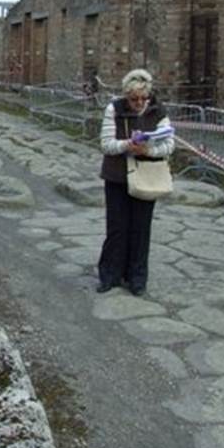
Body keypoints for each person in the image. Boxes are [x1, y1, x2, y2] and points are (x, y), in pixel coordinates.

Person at [96, 69, 174, 296]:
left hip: (146, 177)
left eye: (143, 98)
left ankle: (137, 279)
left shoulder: (158, 112)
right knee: (117, 228)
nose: (139, 103)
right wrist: (127, 145)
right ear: (126, 96)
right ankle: (110, 275)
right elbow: (106, 144)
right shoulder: (114, 109)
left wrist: (148, 150)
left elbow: (169, 146)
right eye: (134, 99)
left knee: (141, 229)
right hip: (117, 176)